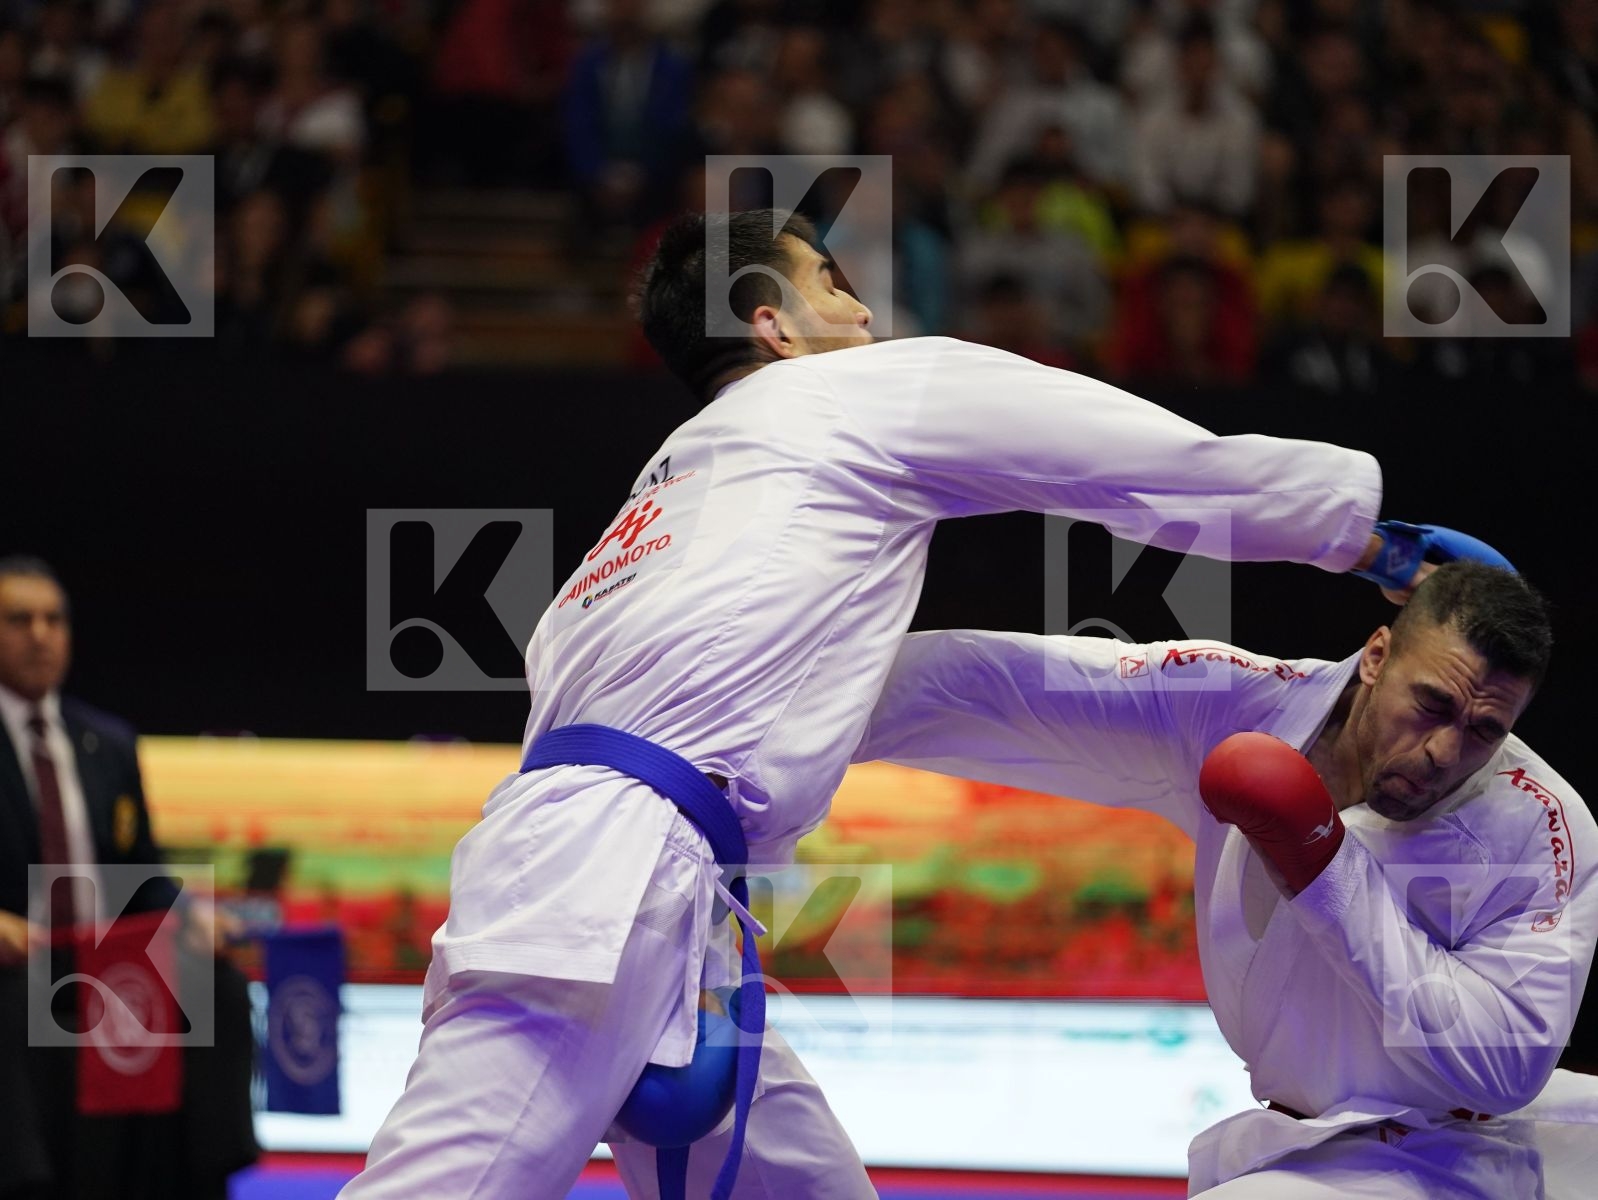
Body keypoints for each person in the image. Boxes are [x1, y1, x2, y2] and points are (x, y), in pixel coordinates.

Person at [340, 206, 1480, 1200]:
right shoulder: (853, 395)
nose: (861, 305)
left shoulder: (661, 508)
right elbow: (1132, 463)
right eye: (828, 280)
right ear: (767, 321)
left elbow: (851, 688)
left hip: (642, 884)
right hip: (613, 885)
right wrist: (1359, 538)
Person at [854, 562, 1598, 1198]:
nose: (1443, 750)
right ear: (1376, 656)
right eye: (1431, 705)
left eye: (1483, 731)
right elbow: (997, 689)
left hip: (1455, 1150)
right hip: (1301, 1149)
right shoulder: (1237, 703)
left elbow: (1504, 1066)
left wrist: (1322, 863)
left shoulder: (1540, 823)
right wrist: (784, 712)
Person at [0, 556, 258, 1199]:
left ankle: (208, 1171)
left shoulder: (106, 741)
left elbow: (142, 871)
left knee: (217, 983)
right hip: (15, 966)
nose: (40, 634)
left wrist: (191, 916)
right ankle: (26, 1181)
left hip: (108, 964)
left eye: (53, 620)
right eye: (19, 619)